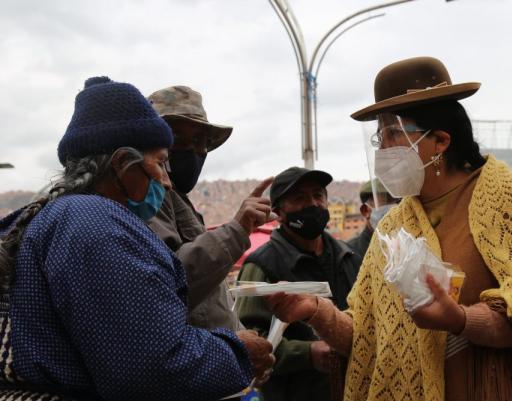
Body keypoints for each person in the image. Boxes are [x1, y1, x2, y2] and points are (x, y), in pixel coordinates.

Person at [266, 57, 512, 401]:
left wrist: (459, 319)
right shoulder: (395, 224)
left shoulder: (506, 198)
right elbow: (367, 339)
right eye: (379, 139)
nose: (384, 149)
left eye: (393, 132)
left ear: (440, 140)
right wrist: (317, 312)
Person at [0, 77, 274, 400]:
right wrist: (236, 351)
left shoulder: (61, 215)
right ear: (121, 163)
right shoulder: (96, 222)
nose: (167, 183)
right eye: (160, 163)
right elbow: (152, 367)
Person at [146, 86, 273, 331]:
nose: (193, 150)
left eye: (200, 141)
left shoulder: (179, 200)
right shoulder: (149, 197)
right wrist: (236, 230)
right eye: (178, 138)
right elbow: (169, 282)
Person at [237, 167, 362, 401]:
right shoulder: (261, 265)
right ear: (279, 213)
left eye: (318, 195)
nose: (313, 204)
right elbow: (247, 341)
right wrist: (307, 354)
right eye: (299, 198)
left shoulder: (349, 257)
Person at [346, 179, 397, 260]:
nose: (395, 209)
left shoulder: (410, 246)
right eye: (387, 201)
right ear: (365, 211)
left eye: (398, 202)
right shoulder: (349, 254)